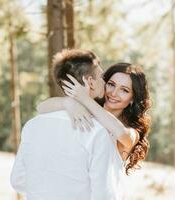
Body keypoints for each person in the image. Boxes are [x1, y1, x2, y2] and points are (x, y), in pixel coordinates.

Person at [10, 49, 119, 200]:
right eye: (101, 77)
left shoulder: (32, 126)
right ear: (90, 82)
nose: (105, 82)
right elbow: (104, 195)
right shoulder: (97, 131)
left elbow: (17, 180)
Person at [38, 62, 151, 176]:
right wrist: (68, 102)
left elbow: (121, 133)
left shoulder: (131, 132)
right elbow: (41, 108)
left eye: (124, 90)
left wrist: (85, 99)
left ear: (133, 98)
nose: (113, 93)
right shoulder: (86, 111)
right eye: (111, 84)